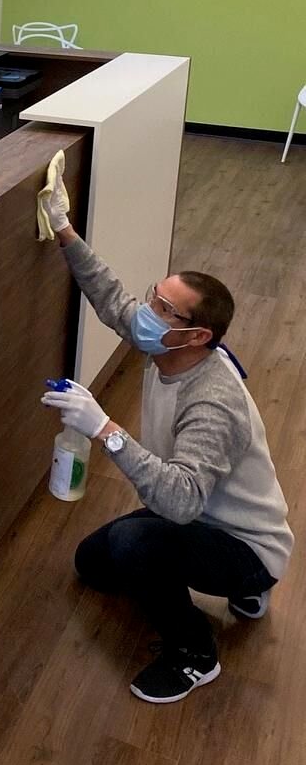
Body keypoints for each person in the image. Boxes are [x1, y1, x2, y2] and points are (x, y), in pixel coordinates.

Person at [38, 179, 292, 704]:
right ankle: (223, 586)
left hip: (245, 541)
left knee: (137, 546)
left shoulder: (214, 400)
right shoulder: (169, 346)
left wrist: (104, 429)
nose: (148, 312)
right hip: (199, 515)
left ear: (198, 335)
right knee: (93, 563)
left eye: (164, 309)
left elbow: (178, 501)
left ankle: (195, 655)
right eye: (155, 296)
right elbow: (111, 298)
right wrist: (62, 226)